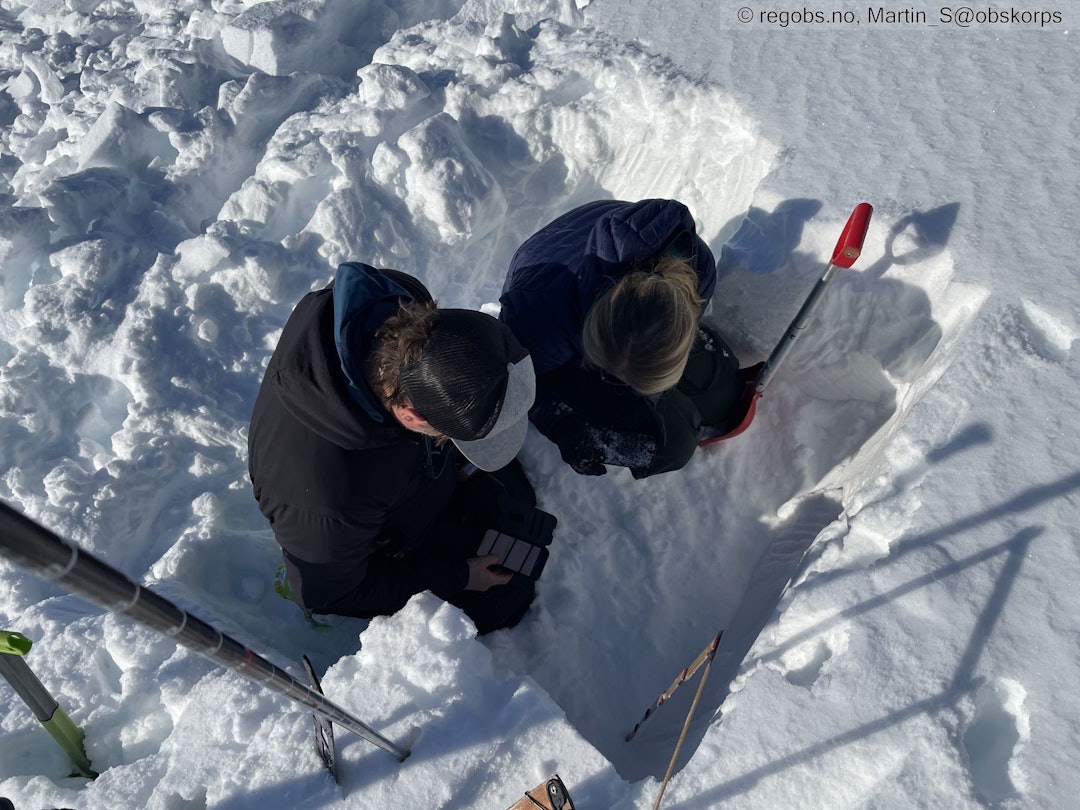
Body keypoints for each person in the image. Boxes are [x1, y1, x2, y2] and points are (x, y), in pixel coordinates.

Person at [248, 261, 540, 634]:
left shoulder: (402, 302)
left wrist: (452, 455)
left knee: (511, 495)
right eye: (448, 435)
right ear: (411, 416)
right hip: (365, 538)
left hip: (406, 475)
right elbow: (333, 592)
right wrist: (458, 576)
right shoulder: (328, 495)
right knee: (503, 600)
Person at [499, 198, 744, 479]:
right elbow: (515, 378)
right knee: (675, 444)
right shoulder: (536, 316)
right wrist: (561, 421)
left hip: (596, 304)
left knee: (718, 397)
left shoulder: (699, 271)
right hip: (553, 317)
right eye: (611, 377)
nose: (624, 388)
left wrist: (647, 398)